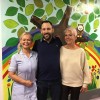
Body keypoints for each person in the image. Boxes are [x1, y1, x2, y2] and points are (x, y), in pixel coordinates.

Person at [32, 21, 62, 100]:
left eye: (48, 29)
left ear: (52, 30)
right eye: (44, 29)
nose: (46, 31)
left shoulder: (58, 42)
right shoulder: (37, 43)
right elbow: (31, 57)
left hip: (56, 81)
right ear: (41, 31)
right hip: (41, 81)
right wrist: (18, 58)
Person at [60, 27, 91, 100]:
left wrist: (85, 83)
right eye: (66, 35)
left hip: (77, 83)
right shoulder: (61, 49)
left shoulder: (81, 51)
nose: (67, 37)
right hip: (64, 82)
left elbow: (86, 68)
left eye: (70, 35)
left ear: (75, 37)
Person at [8, 32, 38, 100]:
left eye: (28, 40)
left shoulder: (36, 55)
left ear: (31, 42)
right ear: (20, 41)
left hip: (32, 89)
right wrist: (24, 82)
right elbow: (11, 74)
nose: (26, 42)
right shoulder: (15, 57)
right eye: (24, 40)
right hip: (19, 90)